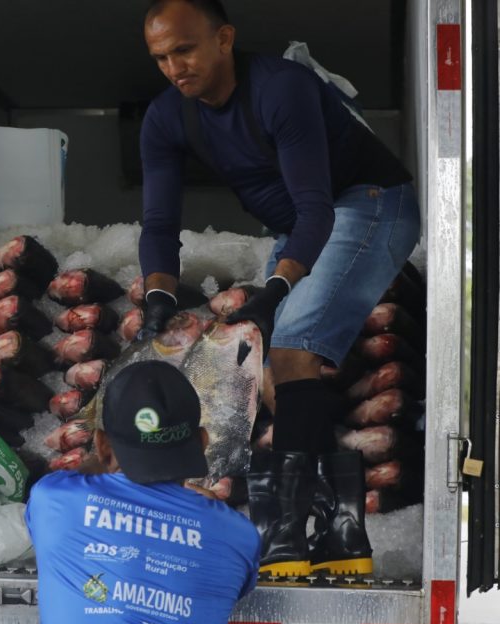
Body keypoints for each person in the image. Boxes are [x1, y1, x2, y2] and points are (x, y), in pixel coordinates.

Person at [135, 0, 420, 577]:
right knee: (269, 376)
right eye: (160, 58)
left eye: (184, 50)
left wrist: (274, 292)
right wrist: (157, 298)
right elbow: (159, 225)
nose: (173, 68)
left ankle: (284, 535)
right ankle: (343, 532)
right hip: (300, 225)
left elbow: (316, 209)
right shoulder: (166, 117)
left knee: (291, 347)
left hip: (367, 203)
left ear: (223, 39)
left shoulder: (280, 88)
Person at [26, 360, 260, 624]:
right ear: (203, 441)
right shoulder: (239, 536)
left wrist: (105, 461)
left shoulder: (55, 502)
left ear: (102, 445)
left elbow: (80, 476)